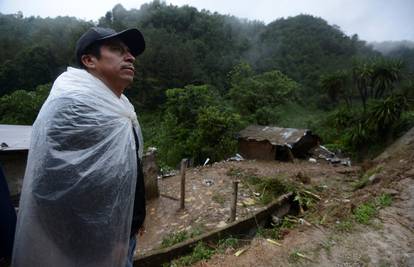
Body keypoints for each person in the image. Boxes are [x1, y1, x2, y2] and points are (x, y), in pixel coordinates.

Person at [12, 27, 146, 267]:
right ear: (89, 60)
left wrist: (135, 220)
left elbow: (126, 170)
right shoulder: (72, 108)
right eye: (117, 50)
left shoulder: (120, 106)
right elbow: (52, 189)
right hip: (91, 247)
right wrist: (103, 244)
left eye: (130, 52)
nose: (130, 57)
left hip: (123, 233)